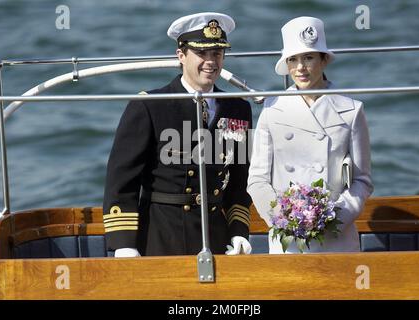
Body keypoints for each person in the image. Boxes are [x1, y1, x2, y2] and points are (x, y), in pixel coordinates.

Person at [103, 12, 253, 257]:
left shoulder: (238, 107)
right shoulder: (150, 106)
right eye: (202, 53)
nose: (211, 62)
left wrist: (238, 229)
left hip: (217, 237)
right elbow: (121, 180)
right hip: (161, 236)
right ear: (181, 56)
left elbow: (238, 179)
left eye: (217, 53)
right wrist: (124, 244)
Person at [247, 16, 373, 253]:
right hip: (288, 240)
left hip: (337, 237)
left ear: (323, 60)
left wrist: (332, 219)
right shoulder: (272, 110)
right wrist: (283, 220)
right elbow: (257, 180)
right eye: (293, 60)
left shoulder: (352, 111)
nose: (300, 68)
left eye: (308, 58)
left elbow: (361, 181)